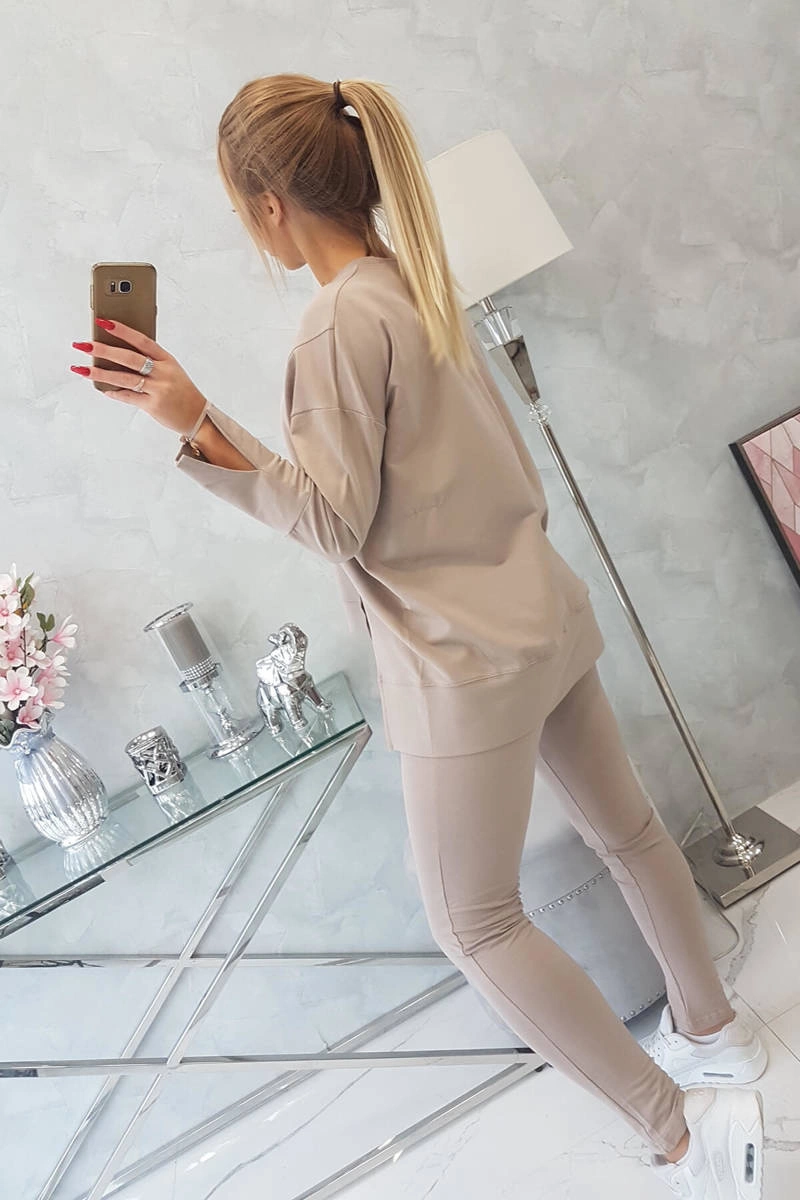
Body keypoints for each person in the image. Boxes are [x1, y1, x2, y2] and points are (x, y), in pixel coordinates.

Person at [70, 73, 768, 1197]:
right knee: (628, 831)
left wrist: (194, 420)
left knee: (472, 921)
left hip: (462, 660)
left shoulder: (335, 324)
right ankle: (715, 1032)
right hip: (538, 612)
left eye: (238, 208)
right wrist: (200, 422)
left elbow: (332, 522)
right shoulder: (409, 279)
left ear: (267, 205)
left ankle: (685, 1132)